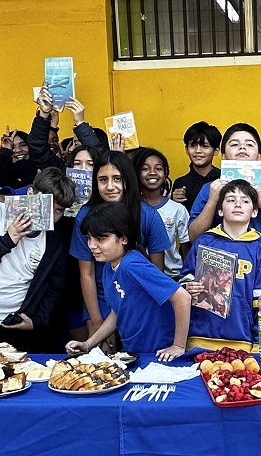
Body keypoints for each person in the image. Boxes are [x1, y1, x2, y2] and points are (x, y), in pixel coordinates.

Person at [0, 168, 76, 354]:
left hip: (16, 322)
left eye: (58, 210)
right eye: (44, 204)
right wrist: (7, 240)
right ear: (30, 194)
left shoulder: (54, 242)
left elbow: (55, 288)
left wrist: (36, 320)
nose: (49, 215)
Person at [69, 203, 191, 361]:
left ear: (123, 238)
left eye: (100, 239)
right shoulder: (109, 265)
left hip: (159, 353)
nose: (92, 245)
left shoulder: (132, 265)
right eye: (89, 238)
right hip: (134, 352)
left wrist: (178, 346)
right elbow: (117, 311)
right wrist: (88, 344)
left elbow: (183, 297)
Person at [70, 150, 171, 339]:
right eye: (102, 180)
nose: (110, 186)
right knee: (103, 361)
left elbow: (157, 273)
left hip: (140, 298)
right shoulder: (85, 216)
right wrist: (97, 322)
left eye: (117, 179)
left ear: (128, 180)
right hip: (100, 298)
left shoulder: (147, 215)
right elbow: (87, 273)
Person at [188, 123, 261, 287]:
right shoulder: (210, 189)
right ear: (224, 156)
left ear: (259, 155)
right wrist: (213, 201)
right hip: (222, 287)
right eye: (234, 144)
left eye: (249, 144)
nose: (242, 147)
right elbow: (193, 237)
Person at [180, 180, 261, 348]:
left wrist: (258, 342)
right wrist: (188, 287)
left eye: (245, 201)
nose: (238, 204)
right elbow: (184, 281)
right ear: (220, 210)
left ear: (254, 212)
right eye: (231, 200)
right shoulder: (204, 241)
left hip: (242, 340)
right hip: (200, 338)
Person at [133, 147, 191, 279]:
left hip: (173, 276)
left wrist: (187, 276)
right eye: (145, 168)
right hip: (139, 275)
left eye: (158, 168)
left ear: (165, 173)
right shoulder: (132, 208)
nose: (152, 173)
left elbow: (185, 248)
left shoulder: (178, 209)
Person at [171, 121, 222, 207]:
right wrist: (173, 202)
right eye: (193, 145)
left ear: (216, 151)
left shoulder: (223, 179)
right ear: (186, 150)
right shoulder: (180, 183)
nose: (198, 151)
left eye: (205, 146)